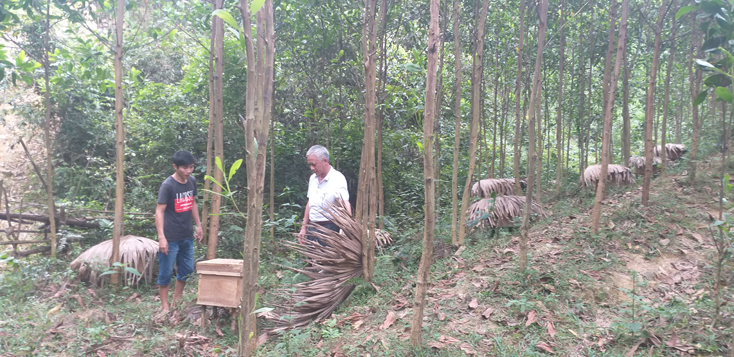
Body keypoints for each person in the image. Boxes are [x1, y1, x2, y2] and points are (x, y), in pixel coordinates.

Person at [155, 150, 203, 312]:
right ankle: (164, 306)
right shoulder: (167, 186)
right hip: (170, 237)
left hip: (187, 235)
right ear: (175, 167)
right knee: (166, 272)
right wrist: (161, 237)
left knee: (188, 269)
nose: (189, 171)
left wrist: (199, 225)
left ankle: (177, 300)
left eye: (191, 167)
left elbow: (192, 203)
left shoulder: (192, 182)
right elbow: (159, 211)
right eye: (184, 168)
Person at [298, 145, 351, 246]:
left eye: (314, 164)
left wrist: (347, 228)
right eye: (309, 164)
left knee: (327, 261)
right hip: (312, 227)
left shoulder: (337, 178)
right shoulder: (312, 179)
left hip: (330, 229)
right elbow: (310, 203)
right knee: (312, 261)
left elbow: (345, 202)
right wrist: (304, 228)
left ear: (325, 161)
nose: (311, 168)